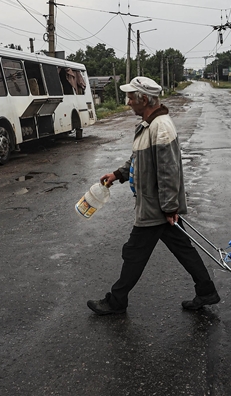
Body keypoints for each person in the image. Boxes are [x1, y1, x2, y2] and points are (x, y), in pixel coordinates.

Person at [87, 76, 220, 315]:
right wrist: (118, 174)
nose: (128, 102)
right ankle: (207, 291)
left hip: (156, 207)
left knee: (134, 252)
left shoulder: (161, 127)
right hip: (156, 205)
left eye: (130, 97)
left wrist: (169, 207)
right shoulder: (149, 124)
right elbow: (138, 160)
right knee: (183, 249)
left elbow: (168, 171)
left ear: (144, 99)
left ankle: (117, 300)